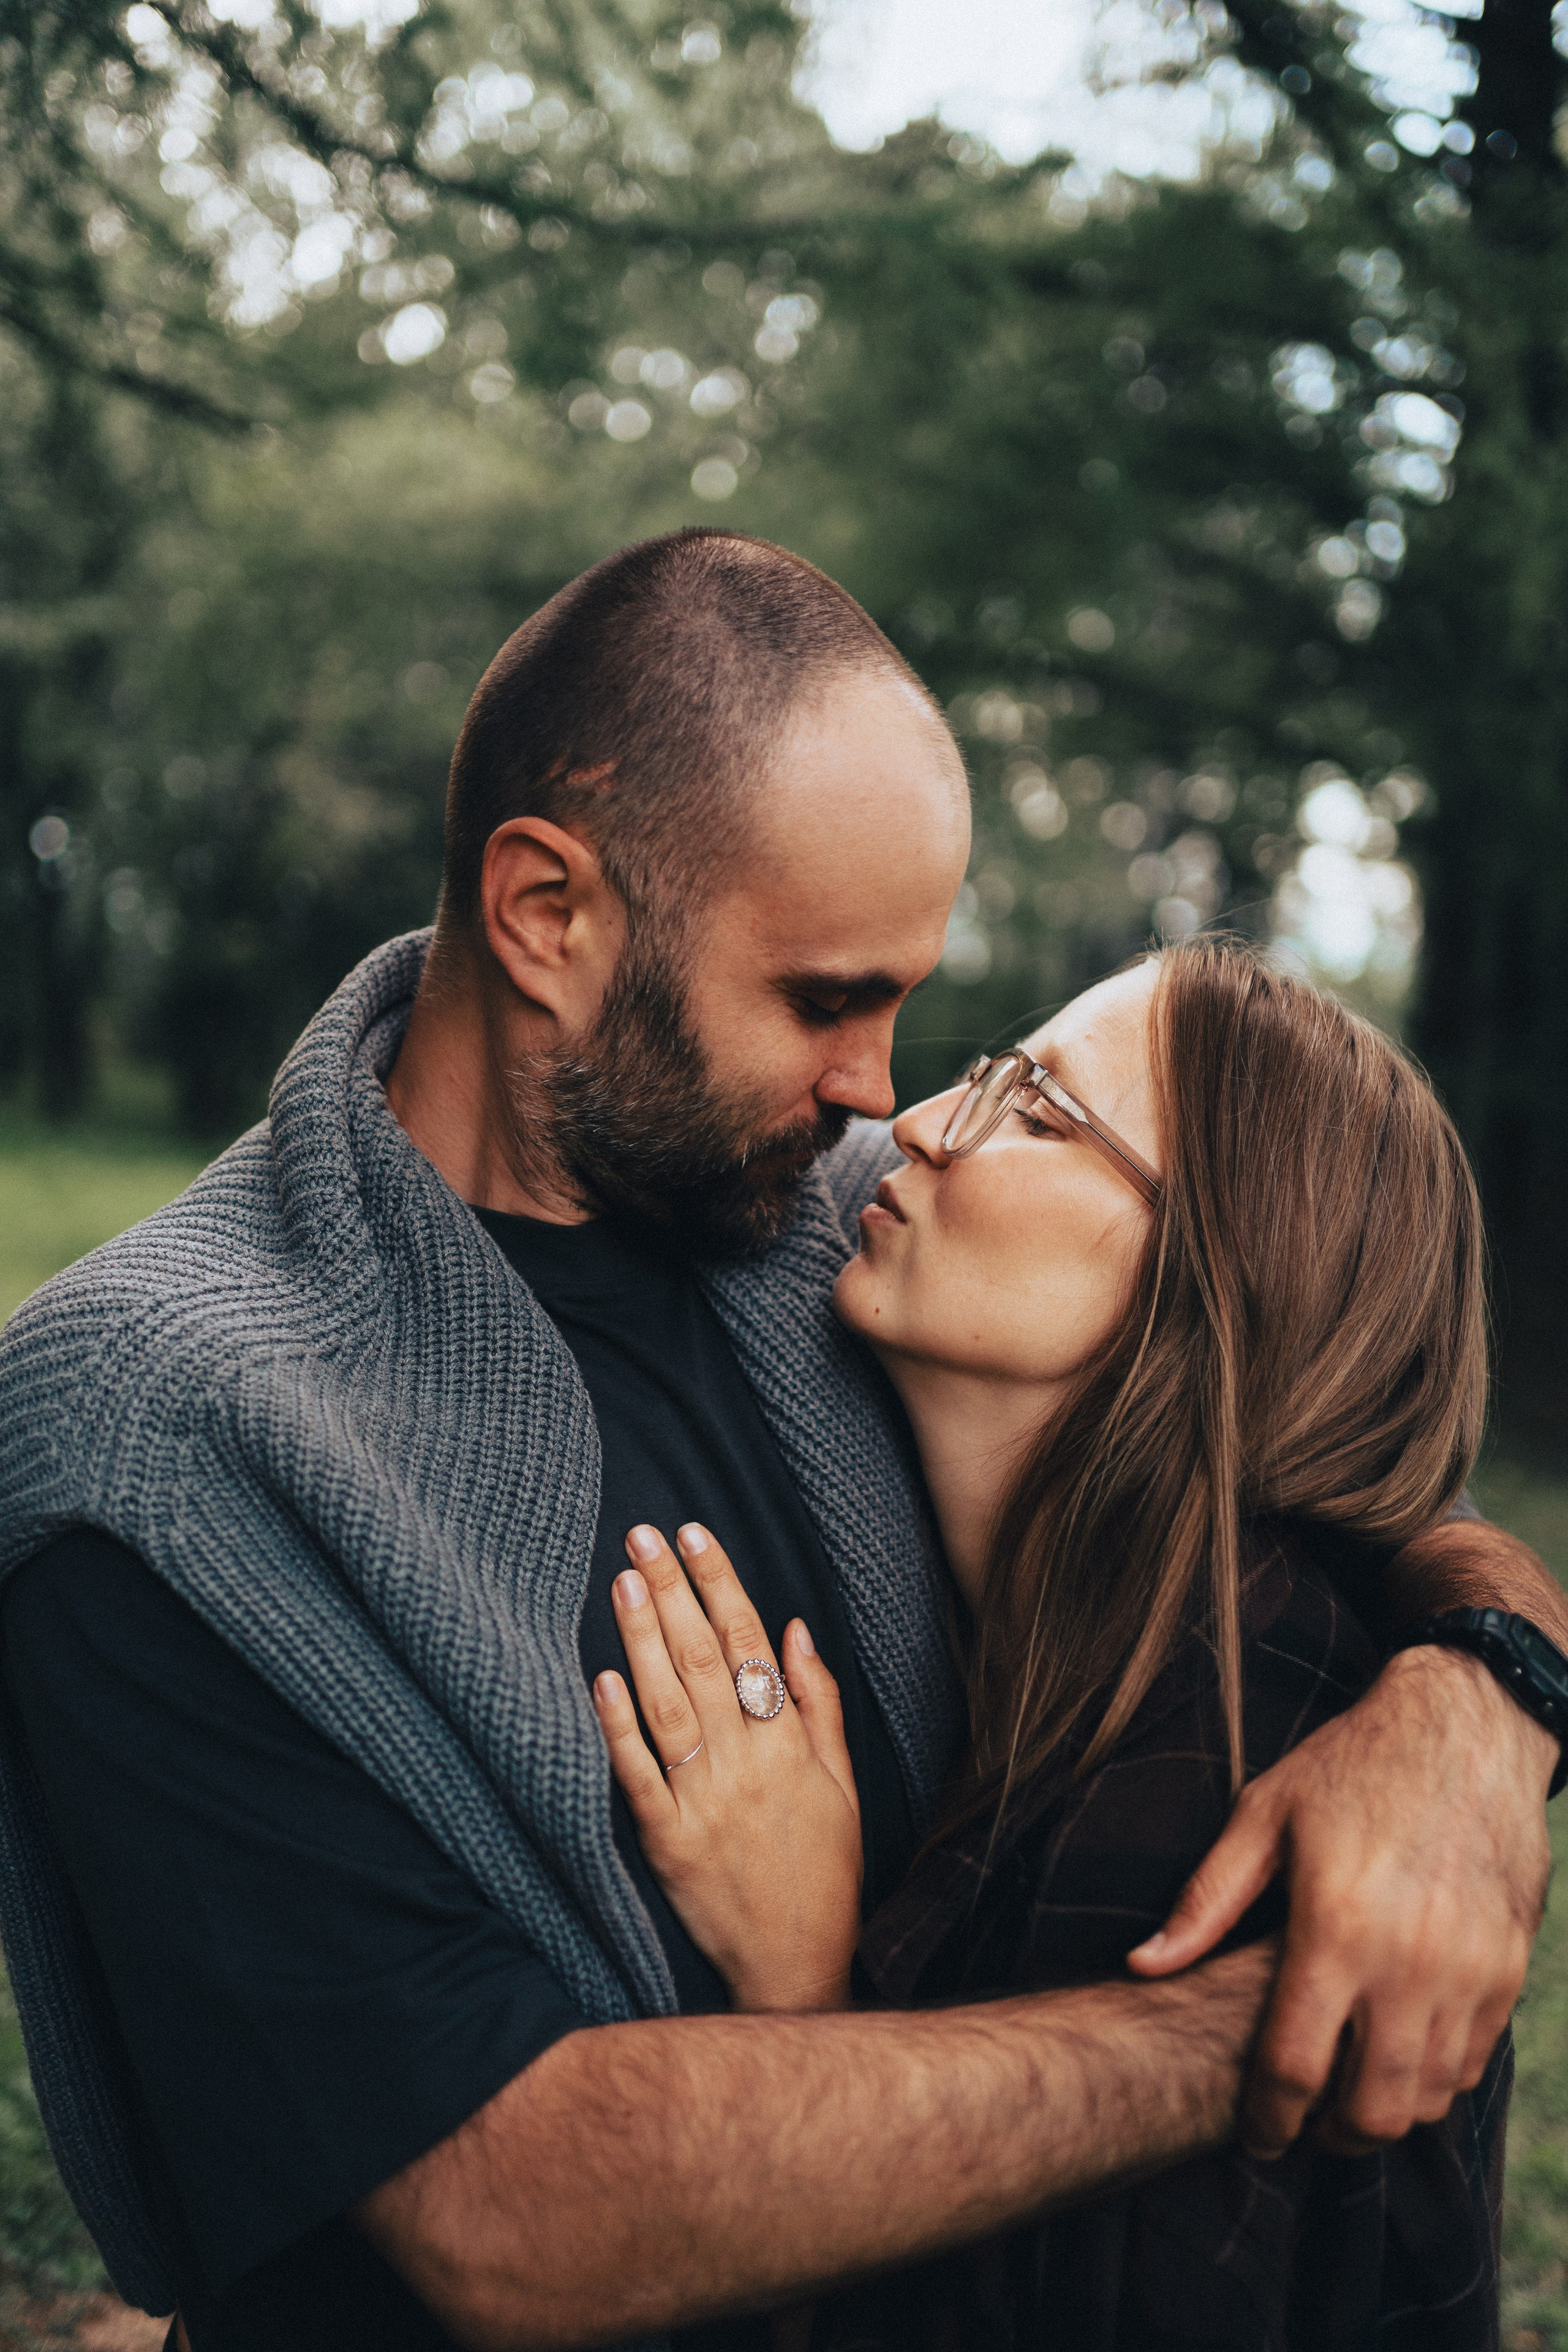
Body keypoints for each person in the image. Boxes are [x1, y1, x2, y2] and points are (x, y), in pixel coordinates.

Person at [0, 530, 1560, 2352]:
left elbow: (1306, 1435)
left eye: (906, 1003)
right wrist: (1275, 2025)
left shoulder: (850, 1221)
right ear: (547, 916)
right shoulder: (161, 1431)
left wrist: (1477, 1707)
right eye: (824, 1000)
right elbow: (510, 2218)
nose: (889, 1097)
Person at [598, 938, 1534, 2348]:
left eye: (1034, 1112)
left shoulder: (1200, 1808)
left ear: (1219, 1275)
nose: (919, 1125)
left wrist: (799, 1988)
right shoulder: (1119, 1657)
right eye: (987, 1076)